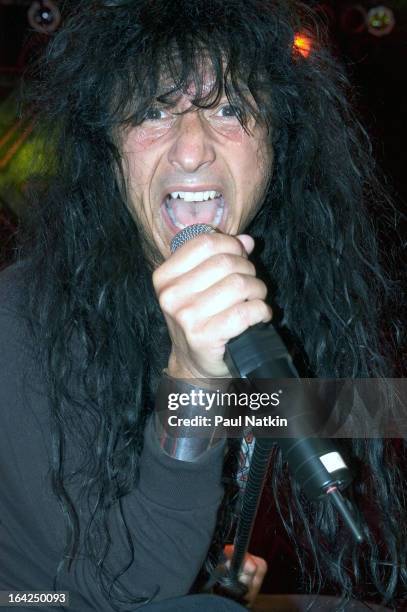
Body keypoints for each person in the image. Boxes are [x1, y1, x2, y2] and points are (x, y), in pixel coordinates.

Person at [0, 0, 405, 610]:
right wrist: (192, 378)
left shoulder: (269, 297)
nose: (192, 150)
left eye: (231, 109)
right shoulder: (20, 315)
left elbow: (338, 411)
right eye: (152, 111)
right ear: (107, 152)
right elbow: (120, 593)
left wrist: (220, 560)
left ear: (277, 149)